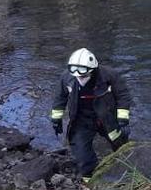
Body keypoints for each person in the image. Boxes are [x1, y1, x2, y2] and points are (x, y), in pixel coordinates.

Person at [50, 48, 134, 178]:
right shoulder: (66, 78)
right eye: (76, 76)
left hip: (107, 118)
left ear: (93, 70)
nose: (80, 78)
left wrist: (123, 120)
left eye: (83, 75)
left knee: (122, 147)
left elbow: (123, 96)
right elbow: (60, 98)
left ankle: (129, 171)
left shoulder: (110, 75)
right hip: (81, 120)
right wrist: (56, 119)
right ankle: (90, 179)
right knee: (82, 156)